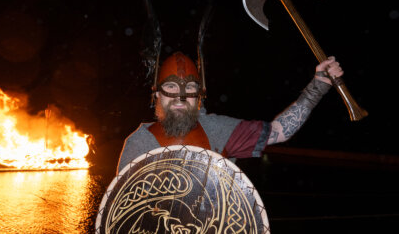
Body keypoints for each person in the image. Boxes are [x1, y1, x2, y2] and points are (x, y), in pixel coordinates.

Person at [116, 51, 343, 174]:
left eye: (190, 88)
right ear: (157, 94)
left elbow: (279, 131)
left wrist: (318, 86)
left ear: (199, 96)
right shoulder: (138, 144)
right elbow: (122, 211)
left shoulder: (219, 130)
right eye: (172, 87)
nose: (180, 97)